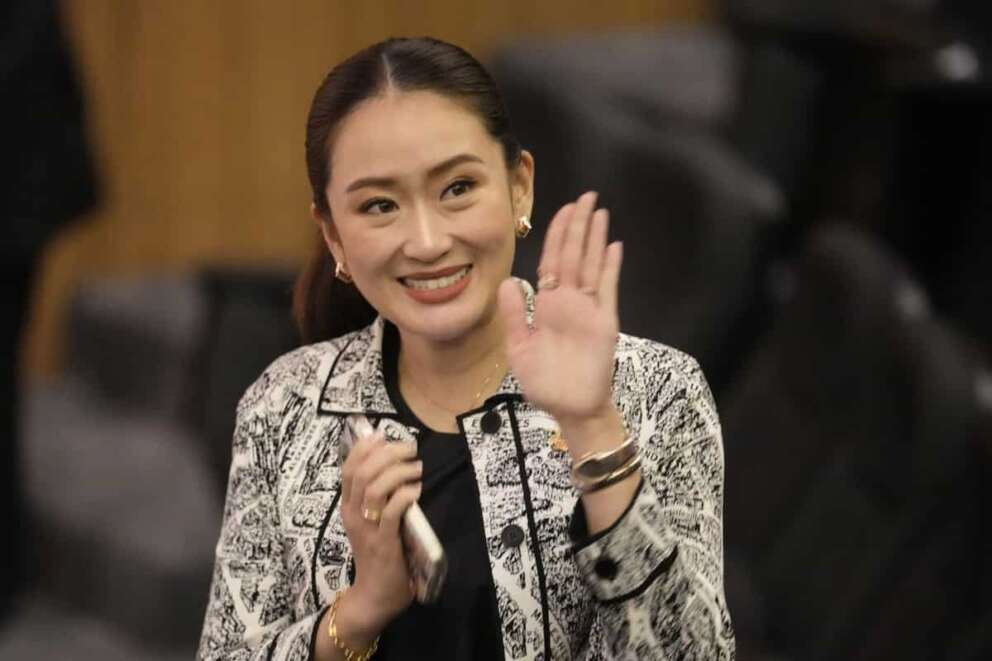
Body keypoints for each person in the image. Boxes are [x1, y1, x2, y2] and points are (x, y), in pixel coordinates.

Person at [197, 37, 734, 660]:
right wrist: (359, 612)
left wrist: (591, 427)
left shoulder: (656, 392)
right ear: (334, 236)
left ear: (519, 188)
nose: (426, 241)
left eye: (456, 188)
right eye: (379, 205)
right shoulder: (283, 406)